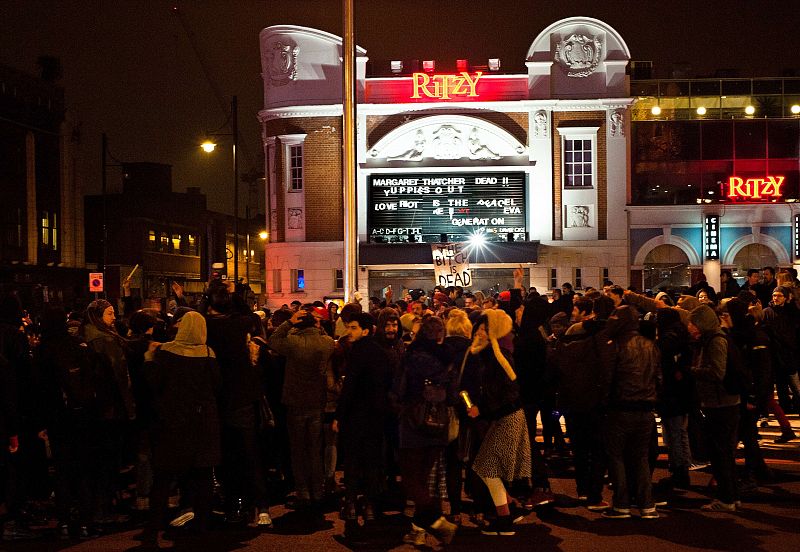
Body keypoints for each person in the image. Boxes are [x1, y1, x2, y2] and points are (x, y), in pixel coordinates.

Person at [142, 311, 221, 546]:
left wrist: (148, 359)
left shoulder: (166, 352)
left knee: (163, 477)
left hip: (173, 423)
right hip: (203, 422)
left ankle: (152, 529)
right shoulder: (208, 354)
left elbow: (153, 384)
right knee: (204, 475)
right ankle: (201, 526)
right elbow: (217, 386)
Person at [466, 309, 531, 536]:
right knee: (488, 468)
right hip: (504, 416)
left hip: (508, 417)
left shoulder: (498, 356)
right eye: (478, 329)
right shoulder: (487, 355)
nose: (480, 333)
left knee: (487, 469)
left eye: (485, 330)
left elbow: (503, 390)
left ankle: (505, 518)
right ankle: (509, 507)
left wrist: (480, 409)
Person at [393, 316, 457, 546]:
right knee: (423, 478)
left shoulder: (411, 356)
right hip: (438, 423)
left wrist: (398, 406)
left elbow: (399, 389)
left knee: (411, 478)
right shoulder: (449, 358)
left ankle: (438, 522)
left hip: (413, 421)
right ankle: (418, 530)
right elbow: (452, 395)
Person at [268, 308, 335, 518]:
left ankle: (304, 493)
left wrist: (289, 322)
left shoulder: (292, 343)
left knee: (298, 450)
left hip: (296, 401)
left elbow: (273, 339)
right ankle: (318, 490)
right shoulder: (326, 343)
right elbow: (327, 338)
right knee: (315, 448)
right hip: (317, 401)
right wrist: (319, 327)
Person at [332, 312, 392, 539]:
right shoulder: (381, 352)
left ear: (366, 330)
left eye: (354, 328)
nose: (350, 332)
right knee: (373, 461)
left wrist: (339, 415)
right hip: (376, 415)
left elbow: (350, 388)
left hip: (357, 415)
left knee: (353, 461)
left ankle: (350, 504)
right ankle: (369, 506)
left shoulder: (357, 352)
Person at [601, 306, 661, 520]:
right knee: (641, 457)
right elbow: (658, 378)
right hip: (646, 408)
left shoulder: (616, 345)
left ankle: (622, 503)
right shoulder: (650, 345)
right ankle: (646, 504)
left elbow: (608, 378)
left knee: (616, 456)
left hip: (621, 406)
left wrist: (604, 403)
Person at [688, 305, 741, 512]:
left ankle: (727, 498)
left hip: (722, 404)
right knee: (723, 453)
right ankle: (732, 497)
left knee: (721, 453)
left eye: (692, 323)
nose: (689, 327)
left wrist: (692, 371)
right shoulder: (708, 340)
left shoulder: (716, 341)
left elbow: (717, 372)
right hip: (720, 403)